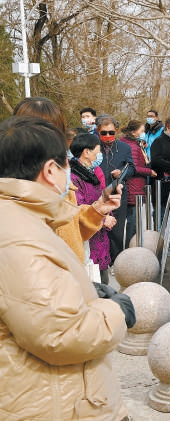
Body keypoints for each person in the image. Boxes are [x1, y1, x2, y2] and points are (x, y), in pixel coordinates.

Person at [0, 115, 134, 421]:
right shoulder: (19, 238)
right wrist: (116, 311)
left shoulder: (23, 217)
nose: (69, 177)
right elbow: (60, 334)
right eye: (65, 166)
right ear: (50, 170)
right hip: (53, 402)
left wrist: (86, 291)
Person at [13, 96, 115, 263]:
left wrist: (97, 210)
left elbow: (72, 228)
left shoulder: (61, 174)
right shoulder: (13, 183)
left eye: (54, 130)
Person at [70, 133, 116, 284]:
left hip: (100, 239)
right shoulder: (73, 177)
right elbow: (78, 209)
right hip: (87, 242)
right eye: (98, 151)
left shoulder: (91, 173)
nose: (100, 155)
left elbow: (100, 198)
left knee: (103, 282)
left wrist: (109, 210)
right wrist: (103, 219)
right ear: (86, 152)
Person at [98, 116, 136, 264]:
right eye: (104, 133)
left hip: (117, 193)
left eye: (111, 132)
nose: (108, 136)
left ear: (117, 131)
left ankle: (115, 261)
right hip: (98, 193)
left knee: (117, 230)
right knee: (99, 228)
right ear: (98, 131)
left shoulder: (125, 147)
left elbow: (132, 168)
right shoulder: (93, 147)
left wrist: (121, 172)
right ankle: (101, 260)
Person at [119, 119, 157, 247]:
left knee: (133, 220)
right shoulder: (132, 147)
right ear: (134, 132)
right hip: (133, 186)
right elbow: (134, 167)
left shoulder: (134, 143)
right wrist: (149, 171)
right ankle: (130, 248)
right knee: (133, 221)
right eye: (141, 131)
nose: (143, 134)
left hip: (134, 185)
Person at [150, 115, 170, 208]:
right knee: (161, 212)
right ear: (168, 128)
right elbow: (156, 160)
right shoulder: (159, 141)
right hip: (160, 183)